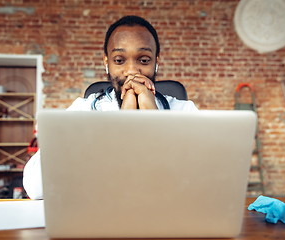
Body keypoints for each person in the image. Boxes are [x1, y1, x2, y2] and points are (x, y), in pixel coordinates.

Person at [23, 15, 198, 199]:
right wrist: (122, 124)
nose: (131, 71)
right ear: (107, 63)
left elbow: (204, 182)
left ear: (156, 62)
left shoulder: (184, 111)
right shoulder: (82, 111)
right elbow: (36, 188)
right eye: (119, 60)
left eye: (144, 60)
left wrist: (153, 119)